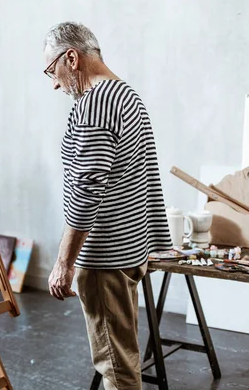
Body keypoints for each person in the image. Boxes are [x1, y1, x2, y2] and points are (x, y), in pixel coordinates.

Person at [43, 22, 172, 390]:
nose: (54, 83)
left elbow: (86, 190)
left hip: (105, 258)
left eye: (52, 71)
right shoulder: (126, 95)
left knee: (115, 367)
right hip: (129, 249)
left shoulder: (95, 104)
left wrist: (64, 263)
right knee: (123, 354)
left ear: (72, 57)